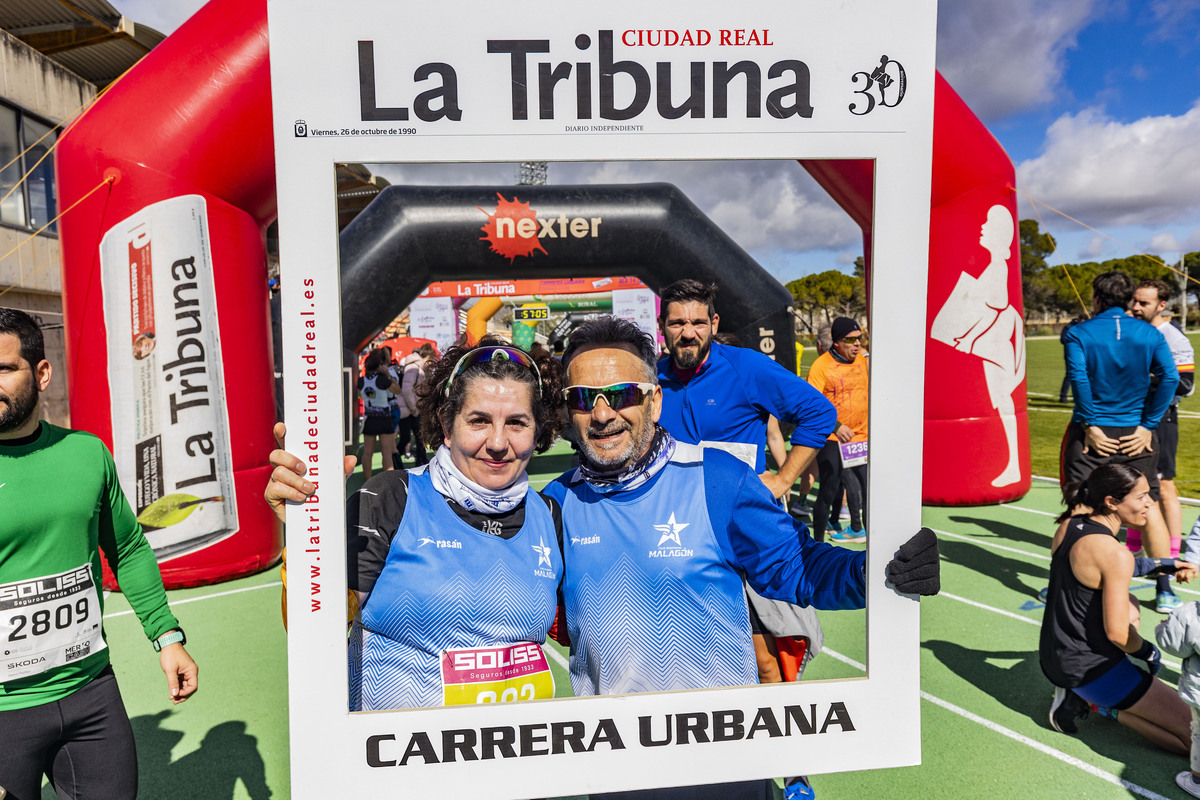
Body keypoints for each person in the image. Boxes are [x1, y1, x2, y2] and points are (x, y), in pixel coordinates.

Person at [546, 315, 940, 800]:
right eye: (583, 398)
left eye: (623, 394)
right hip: (615, 773)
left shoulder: (717, 478)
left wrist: (873, 571)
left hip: (725, 767)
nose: (603, 414)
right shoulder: (555, 503)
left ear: (655, 399)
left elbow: (797, 566)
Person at [267, 340, 566, 711]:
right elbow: (312, 633)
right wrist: (306, 537)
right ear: (446, 424)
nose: (498, 443)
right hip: (397, 759)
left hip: (514, 757)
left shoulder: (548, 515)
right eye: (479, 421)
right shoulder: (391, 498)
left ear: (537, 431)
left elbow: (576, 631)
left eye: (517, 423)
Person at [0, 308, 198, 799]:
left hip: (91, 692)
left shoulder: (87, 454)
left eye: (4, 369)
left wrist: (167, 636)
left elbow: (127, 548)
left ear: (42, 373)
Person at [1040, 463, 1190, 753]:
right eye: (1142, 496)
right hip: (1090, 671)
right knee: (1194, 740)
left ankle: (1090, 694)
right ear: (1111, 502)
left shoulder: (1070, 526)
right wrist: (1150, 652)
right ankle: (1099, 705)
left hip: (1054, 657)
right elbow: (1119, 635)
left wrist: (1166, 564)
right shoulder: (1114, 554)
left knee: (1130, 606)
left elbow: (1113, 567)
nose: (1150, 503)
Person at [1060, 271, 1179, 563]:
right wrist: (1147, 426)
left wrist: (1090, 424)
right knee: (1147, 506)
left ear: (1097, 298)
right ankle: (1164, 585)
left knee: (1080, 508)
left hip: (1092, 433)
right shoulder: (1150, 332)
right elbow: (1170, 378)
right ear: (1128, 299)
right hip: (1135, 434)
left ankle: (1066, 581)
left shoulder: (1079, 332)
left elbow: (1079, 378)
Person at [929, 204, 1026, 487]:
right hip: (992, 348)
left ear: (998, 234)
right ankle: (1012, 465)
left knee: (1003, 404)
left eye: (987, 224)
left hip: (995, 350)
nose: (982, 228)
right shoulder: (995, 265)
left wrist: (969, 338)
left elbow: (996, 308)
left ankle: (1013, 466)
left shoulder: (997, 267)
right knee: (1001, 403)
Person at [1129, 278, 1195, 612]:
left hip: (1162, 419)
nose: (1135, 308)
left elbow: (1184, 384)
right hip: (1128, 419)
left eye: (1143, 303)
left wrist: (1144, 377)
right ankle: (1130, 553)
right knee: (1129, 486)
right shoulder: (1130, 330)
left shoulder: (1173, 337)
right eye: (1134, 302)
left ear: (1162, 305)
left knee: (1164, 489)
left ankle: (1167, 569)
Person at [806, 317, 870, 544]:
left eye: (858, 339)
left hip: (861, 438)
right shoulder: (821, 366)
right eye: (850, 340)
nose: (856, 344)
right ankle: (817, 545)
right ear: (836, 342)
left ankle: (867, 534)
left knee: (868, 490)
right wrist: (836, 426)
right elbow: (811, 404)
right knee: (829, 489)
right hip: (833, 438)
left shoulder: (863, 359)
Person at [1154, 593, 1200, 797]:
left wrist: (1163, 627)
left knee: (1199, 732)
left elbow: (1172, 644)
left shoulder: (1191, 613)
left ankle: (1198, 780)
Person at [357, 348, 399, 480]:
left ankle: (367, 481)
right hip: (384, 418)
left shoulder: (361, 380)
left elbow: (359, 395)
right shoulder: (382, 379)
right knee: (386, 453)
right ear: (380, 364)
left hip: (370, 418)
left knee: (367, 453)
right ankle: (389, 482)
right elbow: (398, 391)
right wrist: (388, 375)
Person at [395, 343, 434, 467]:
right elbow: (407, 389)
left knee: (418, 437)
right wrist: (414, 408)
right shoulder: (414, 367)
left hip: (412, 408)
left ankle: (420, 461)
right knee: (407, 438)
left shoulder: (416, 367)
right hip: (410, 409)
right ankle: (394, 460)